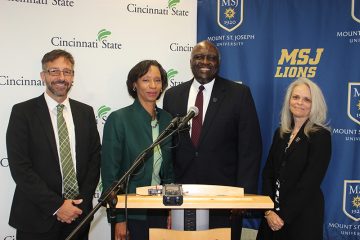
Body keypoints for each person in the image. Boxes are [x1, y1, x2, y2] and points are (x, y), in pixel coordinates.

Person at [163, 40, 262, 240]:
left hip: (225, 197)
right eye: (199, 57)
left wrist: (242, 198)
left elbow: (250, 148)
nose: (205, 61)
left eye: (211, 57)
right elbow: (168, 149)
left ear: (219, 63)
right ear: (190, 61)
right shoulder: (173, 96)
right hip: (183, 195)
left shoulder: (239, 94)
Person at [6, 49, 101, 240]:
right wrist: (57, 206)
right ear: (43, 76)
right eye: (54, 71)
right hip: (36, 217)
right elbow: (20, 168)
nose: (61, 77)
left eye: (67, 72)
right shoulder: (23, 112)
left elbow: (94, 159)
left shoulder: (86, 112)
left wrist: (79, 204)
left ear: (73, 76)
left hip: (78, 216)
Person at [101, 60, 174, 240]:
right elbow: (110, 174)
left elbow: (170, 170)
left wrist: (172, 208)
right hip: (130, 212)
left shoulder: (168, 119)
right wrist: (119, 218)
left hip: (159, 210)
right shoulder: (119, 119)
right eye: (146, 80)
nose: (152, 86)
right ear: (134, 84)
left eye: (157, 80)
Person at [256, 77, 331, 240]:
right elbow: (268, 173)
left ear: (314, 104)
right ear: (289, 100)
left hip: (301, 217)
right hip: (272, 216)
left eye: (306, 99)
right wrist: (268, 211)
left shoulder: (320, 136)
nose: (299, 103)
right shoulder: (281, 132)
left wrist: (282, 215)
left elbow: (309, 182)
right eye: (295, 97)